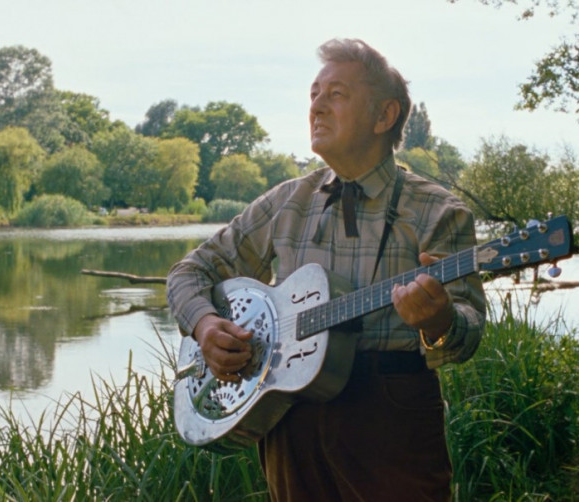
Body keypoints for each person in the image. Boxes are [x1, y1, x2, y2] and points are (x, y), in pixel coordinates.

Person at [167, 38, 486, 502]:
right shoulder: (286, 201)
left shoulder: (439, 211)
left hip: (392, 417)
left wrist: (439, 322)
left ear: (384, 115)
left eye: (336, 94)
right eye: (314, 94)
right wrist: (204, 324)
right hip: (289, 417)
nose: (316, 107)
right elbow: (188, 273)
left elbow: (468, 329)